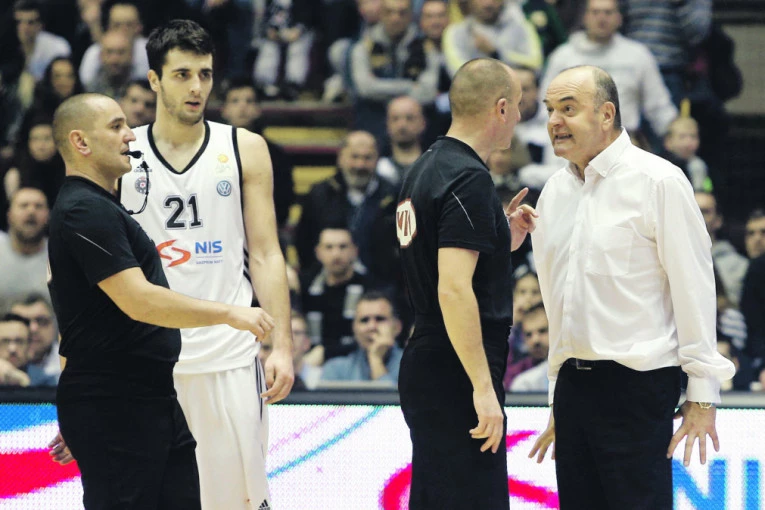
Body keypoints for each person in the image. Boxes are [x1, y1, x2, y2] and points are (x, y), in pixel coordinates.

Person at [46, 92, 277, 510]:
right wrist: (229, 313)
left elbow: (73, 313)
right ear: (80, 142)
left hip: (151, 395)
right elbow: (140, 301)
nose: (130, 136)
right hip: (112, 401)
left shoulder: (103, 207)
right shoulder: (82, 210)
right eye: (116, 126)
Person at [527, 65, 735, 509]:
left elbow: (694, 290)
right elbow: (557, 304)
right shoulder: (553, 193)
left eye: (568, 109)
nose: (554, 121)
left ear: (606, 114)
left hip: (638, 386)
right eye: (550, 110)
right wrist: (556, 398)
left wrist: (702, 395)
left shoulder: (659, 181)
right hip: (573, 387)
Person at [118, 20, 294, 510]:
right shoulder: (122, 153)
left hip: (229, 357)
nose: (196, 87)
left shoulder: (244, 148)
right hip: (148, 361)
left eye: (205, 74)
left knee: (238, 500)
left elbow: (266, 253)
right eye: (182, 75)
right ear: (154, 80)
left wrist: (282, 345)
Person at [396, 57, 536, 509]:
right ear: (500, 108)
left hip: (429, 356)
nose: (519, 115)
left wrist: (500, 238)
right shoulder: (468, 177)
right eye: (517, 104)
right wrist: (482, 386)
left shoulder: (424, 167)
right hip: (455, 367)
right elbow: (453, 288)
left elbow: (440, 260)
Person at [321, 290, 403, 383]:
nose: (372, 327)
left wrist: (376, 360)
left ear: (397, 327)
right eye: (364, 320)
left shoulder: (414, 365)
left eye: (380, 319)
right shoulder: (336, 369)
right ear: (354, 328)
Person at [10, 293, 61, 385]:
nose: (33, 329)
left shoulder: (72, 364)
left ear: (55, 325)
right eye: (23, 322)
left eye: (41, 321)